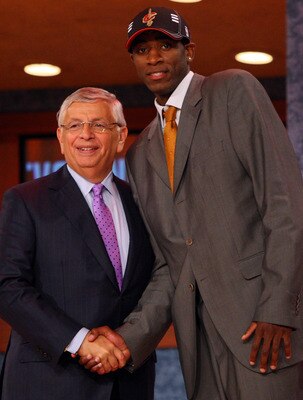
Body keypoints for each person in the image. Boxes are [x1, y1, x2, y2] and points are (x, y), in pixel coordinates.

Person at [82, 6, 303, 400]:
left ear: (190, 51)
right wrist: (127, 338)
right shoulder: (140, 153)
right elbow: (171, 265)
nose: (153, 57)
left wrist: (278, 310)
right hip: (197, 344)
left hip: (264, 330)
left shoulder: (233, 90)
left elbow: (286, 206)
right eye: (142, 50)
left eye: (165, 45)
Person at [0, 87, 157, 400]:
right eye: (74, 126)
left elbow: (158, 281)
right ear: (60, 137)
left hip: (128, 382)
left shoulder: (143, 204)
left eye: (99, 125)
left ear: (122, 135)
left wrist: (129, 340)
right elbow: (7, 285)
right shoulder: (26, 200)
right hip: (50, 381)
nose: (86, 135)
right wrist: (81, 340)